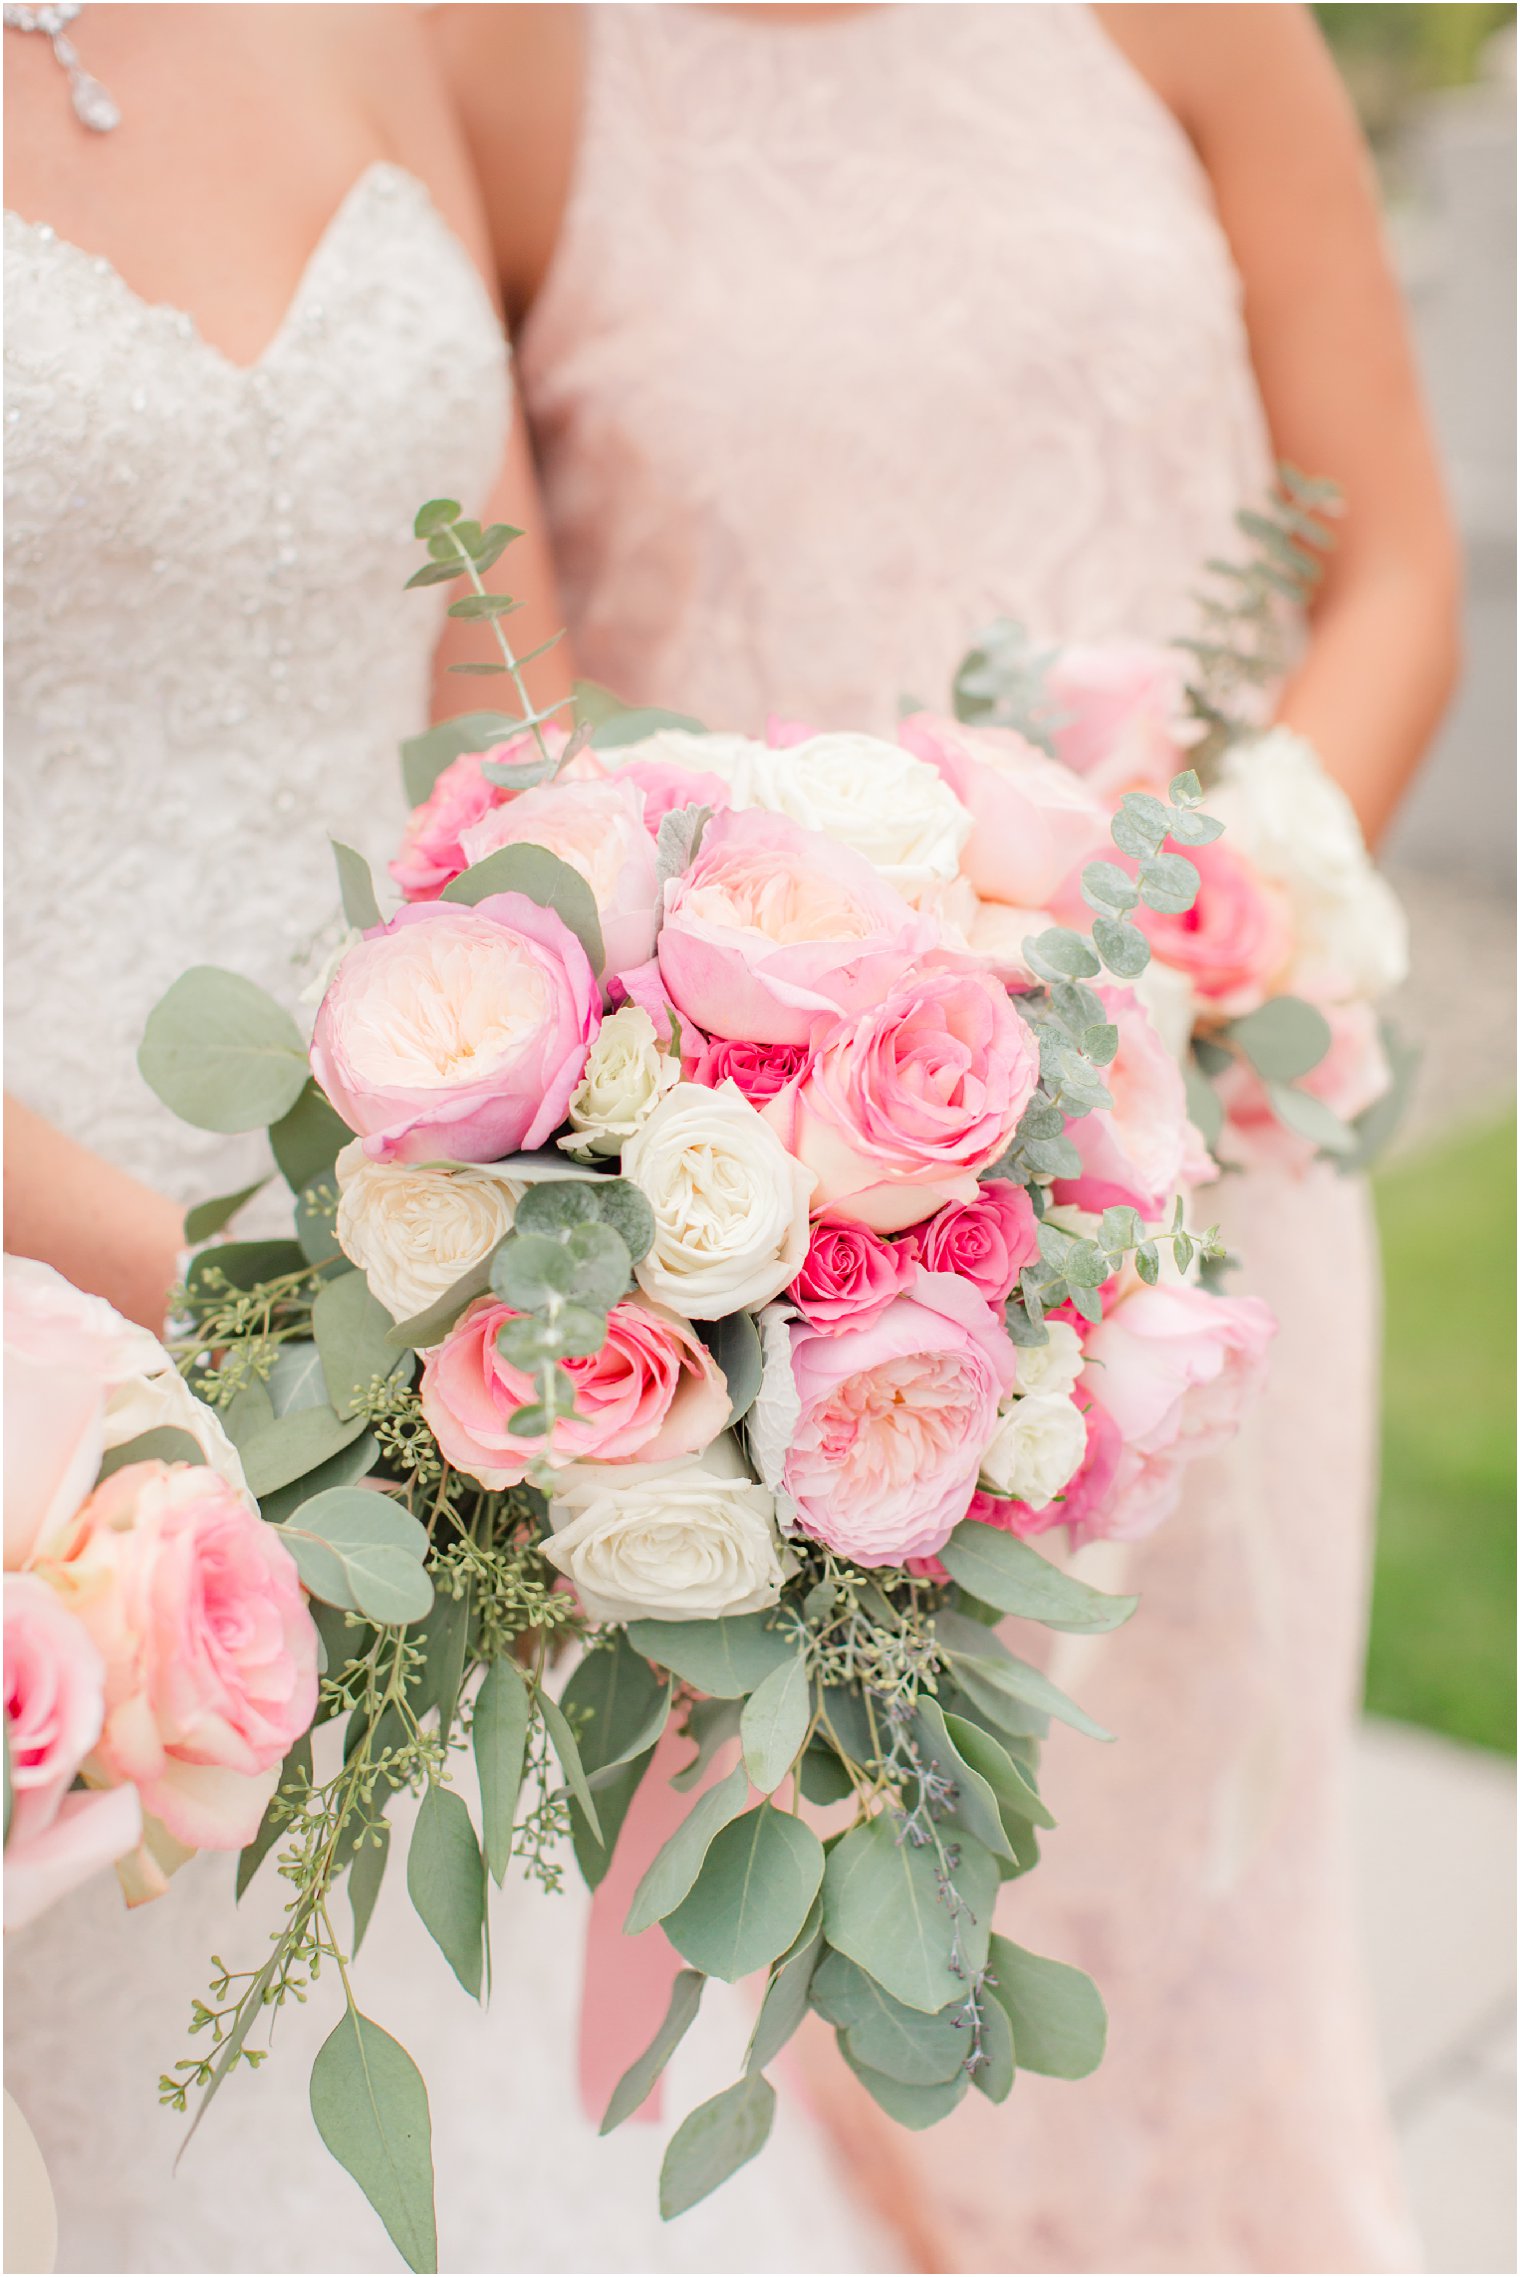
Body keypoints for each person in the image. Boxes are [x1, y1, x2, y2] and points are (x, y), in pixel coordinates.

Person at [437, 5, 1460, 2268]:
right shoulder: (510, 68)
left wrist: (1203, 950)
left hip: (1192, 1206)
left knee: (1194, 1965)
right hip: (760, 1272)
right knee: (788, 2002)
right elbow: (501, 711)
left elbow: (1388, 557)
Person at [2, 9, 895, 2270]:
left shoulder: (360, 17)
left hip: (430, 1247)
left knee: (472, 2041)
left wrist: (606, 1151)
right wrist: (244, 1291)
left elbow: (501, 699)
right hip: (72, 1333)